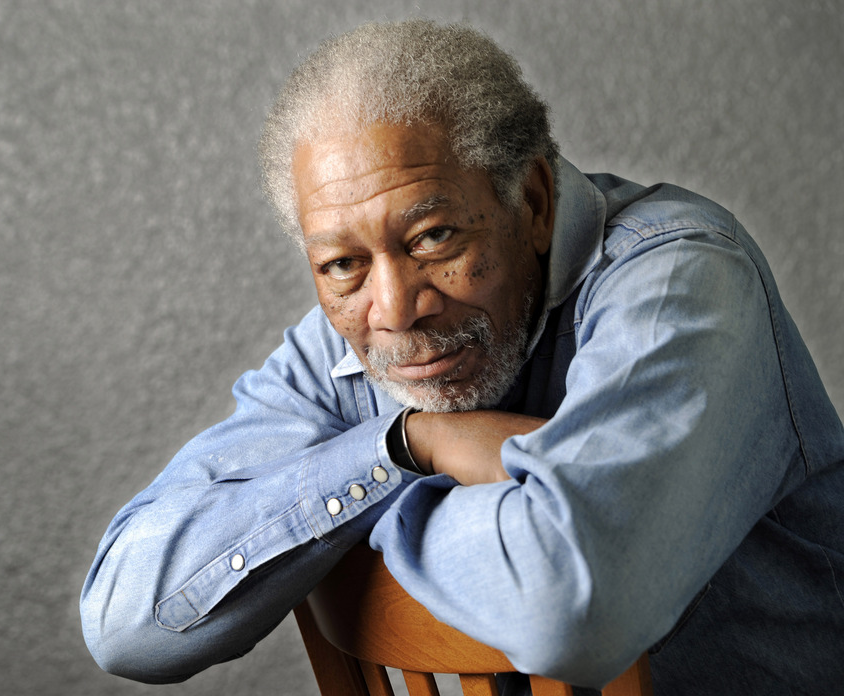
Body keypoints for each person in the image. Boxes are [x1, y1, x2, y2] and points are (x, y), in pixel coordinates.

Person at [80, 19, 844, 694]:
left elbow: (569, 609)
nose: (396, 308)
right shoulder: (345, 350)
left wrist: (339, 511)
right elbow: (125, 622)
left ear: (535, 203)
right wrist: (404, 449)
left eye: (433, 239)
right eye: (341, 264)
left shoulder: (680, 278)